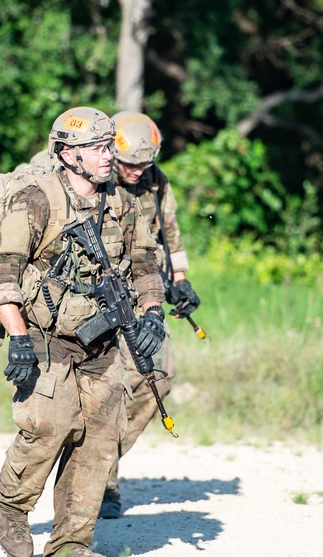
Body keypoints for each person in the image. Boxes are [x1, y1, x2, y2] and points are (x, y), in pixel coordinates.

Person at [0, 107, 165, 557]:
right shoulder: (37, 199)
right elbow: (1, 270)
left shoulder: (122, 203)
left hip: (102, 339)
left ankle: (69, 546)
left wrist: (152, 313)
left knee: (99, 440)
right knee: (49, 425)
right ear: (67, 154)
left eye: (110, 147)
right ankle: (13, 505)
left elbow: (144, 262)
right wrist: (18, 337)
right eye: (99, 149)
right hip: (45, 334)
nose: (110, 157)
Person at [99, 111, 201, 519]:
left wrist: (180, 279)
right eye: (130, 165)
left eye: (145, 164)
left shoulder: (155, 181)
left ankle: (99, 462)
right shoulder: (95, 178)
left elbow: (169, 232)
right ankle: (99, 480)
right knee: (100, 386)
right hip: (98, 293)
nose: (138, 172)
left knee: (158, 375)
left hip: (145, 292)